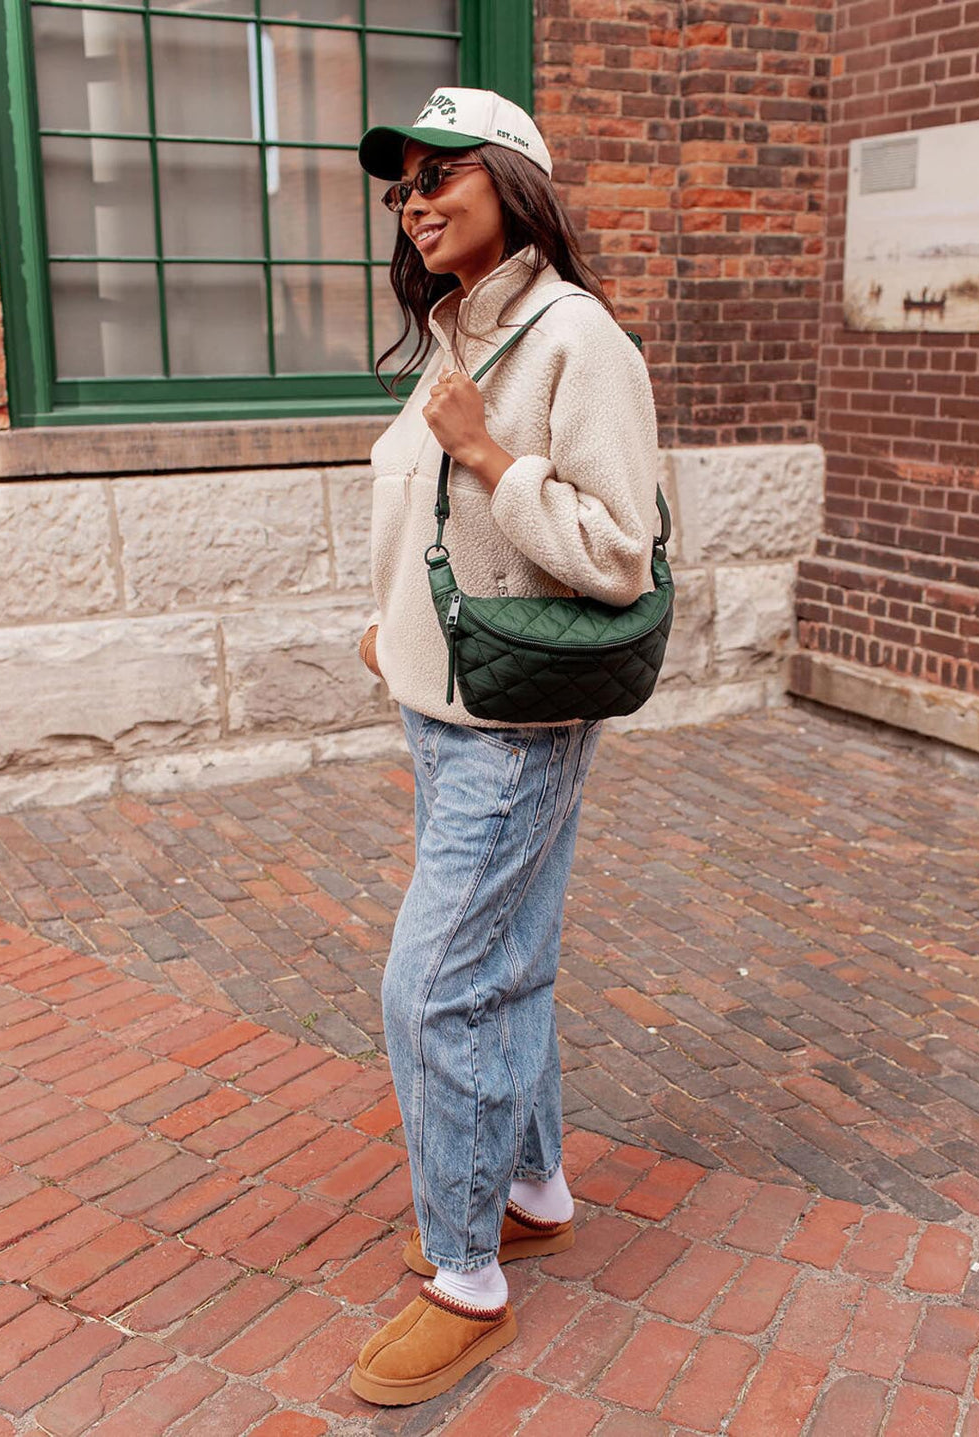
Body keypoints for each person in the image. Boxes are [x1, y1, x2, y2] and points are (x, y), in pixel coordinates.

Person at [349, 87, 661, 1407]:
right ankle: (532, 1184)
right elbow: (423, 513)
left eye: (441, 174)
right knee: (509, 961)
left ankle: (469, 1277)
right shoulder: (460, 325)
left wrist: (487, 455)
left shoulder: (574, 339)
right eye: (401, 182)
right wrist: (392, 627)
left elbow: (612, 547)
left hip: (516, 725)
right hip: (448, 702)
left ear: (514, 183)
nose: (415, 199)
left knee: (431, 987)